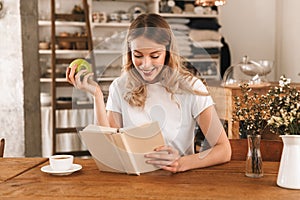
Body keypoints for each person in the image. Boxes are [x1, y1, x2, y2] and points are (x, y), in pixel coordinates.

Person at [67, 13, 231, 173]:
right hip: (134, 181)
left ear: (167, 52)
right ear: (130, 52)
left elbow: (223, 150)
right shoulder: (119, 86)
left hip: (179, 181)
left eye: (155, 55)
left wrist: (182, 163)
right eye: (138, 55)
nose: (145, 65)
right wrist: (96, 94)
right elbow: (108, 148)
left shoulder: (191, 87)